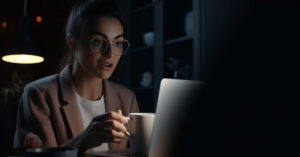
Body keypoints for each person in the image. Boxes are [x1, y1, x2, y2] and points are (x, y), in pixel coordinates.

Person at [13, 0, 139, 153]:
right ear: (72, 43)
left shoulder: (127, 98)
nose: (110, 53)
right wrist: (83, 140)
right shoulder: (39, 94)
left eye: (117, 43)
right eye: (98, 42)